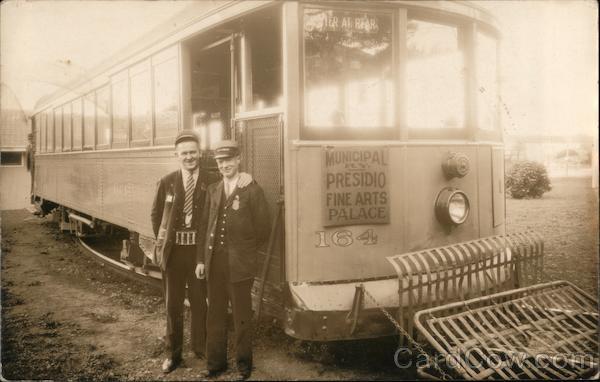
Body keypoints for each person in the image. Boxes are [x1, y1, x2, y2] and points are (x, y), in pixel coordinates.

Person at [151, 131, 252, 374]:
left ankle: (200, 348)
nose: (189, 157)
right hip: (174, 255)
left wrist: (247, 177)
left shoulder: (212, 180)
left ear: (200, 154)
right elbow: (156, 215)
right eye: (184, 153)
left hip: (200, 257)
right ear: (177, 156)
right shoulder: (167, 181)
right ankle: (172, 354)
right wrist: (165, 243)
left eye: (193, 152)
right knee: (173, 305)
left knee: (200, 304)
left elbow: (234, 182)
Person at [195, 140, 270, 380]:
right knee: (214, 314)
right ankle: (215, 364)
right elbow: (204, 227)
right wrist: (201, 261)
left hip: (240, 265)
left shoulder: (252, 189)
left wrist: (245, 251)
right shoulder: (214, 189)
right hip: (215, 264)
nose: (224, 165)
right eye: (220, 161)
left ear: (238, 160)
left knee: (241, 317)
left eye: (229, 160)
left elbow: (263, 229)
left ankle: (243, 365)